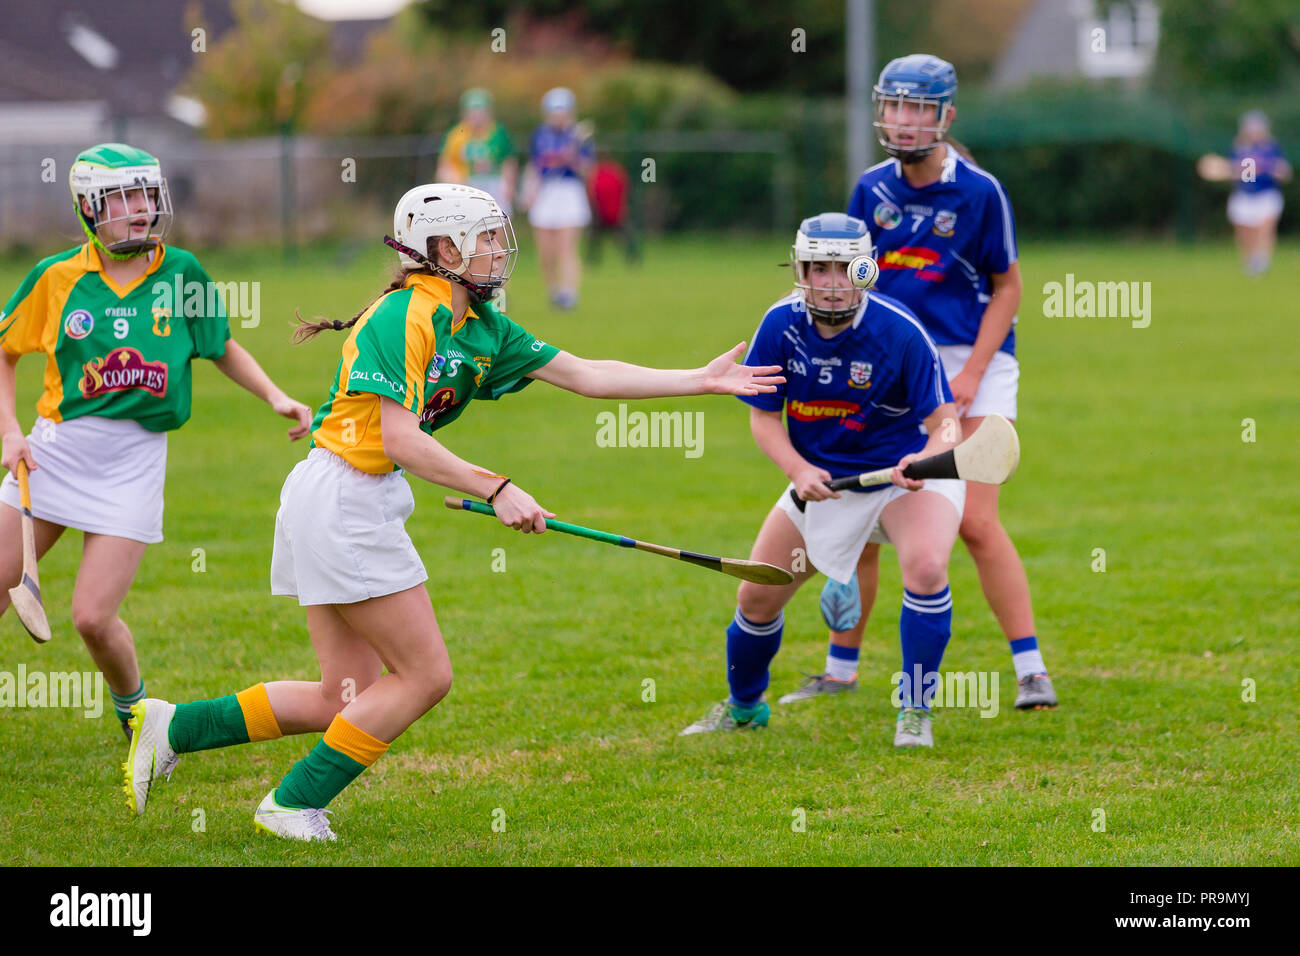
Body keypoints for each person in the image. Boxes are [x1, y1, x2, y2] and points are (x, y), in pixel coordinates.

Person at [121, 183, 785, 840]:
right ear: (441, 249)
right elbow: (398, 437)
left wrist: (697, 379)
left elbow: (583, 374)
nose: (500, 251)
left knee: (341, 694)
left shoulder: (480, 327)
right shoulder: (403, 315)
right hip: (343, 495)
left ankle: (171, 727)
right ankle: (292, 804)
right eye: (487, 239)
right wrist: (497, 489)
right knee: (425, 675)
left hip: (349, 495)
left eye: (498, 237)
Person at [0, 143, 313, 742]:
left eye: (147, 194)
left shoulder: (182, 272)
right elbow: (5, 353)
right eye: (124, 197)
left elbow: (219, 345)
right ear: (91, 209)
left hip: (133, 464)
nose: (141, 209)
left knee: (92, 615)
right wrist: (11, 433)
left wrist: (274, 395)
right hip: (53, 453)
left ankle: (139, 721)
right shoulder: (57, 278)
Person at [787, 54, 1055, 712]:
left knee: (979, 523)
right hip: (891, 365)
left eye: (918, 109)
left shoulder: (980, 192)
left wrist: (969, 374)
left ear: (945, 116)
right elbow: (847, 285)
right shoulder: (871, 189)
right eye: (894, 107)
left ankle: (1031, 669)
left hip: (973, 360)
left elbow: (1008, 288)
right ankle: (840, 668)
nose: (903, 123)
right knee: (865, 506)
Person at [680, 212, 965, 748]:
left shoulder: (900, 330)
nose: (831, 283)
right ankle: (744, 707)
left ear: (866, 270)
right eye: (817, 269)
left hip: (905, 480)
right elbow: (763, 417)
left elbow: (945, 422)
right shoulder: (779, 324)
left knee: (926, 568)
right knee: (755, 597)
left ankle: (915, 709)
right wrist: (798, 470)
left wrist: (926, 459)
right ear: (800, 270)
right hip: (825, 482)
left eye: (844, 269)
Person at [523, 87, 594, 310]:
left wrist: (572, 158)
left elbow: (588, 170)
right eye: (555, 111)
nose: (559, 115)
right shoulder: (539, 135)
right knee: (546, 251)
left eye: (563, 111)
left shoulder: (580, 136)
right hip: (545, 192)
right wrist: (529, 192)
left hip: (569, 192)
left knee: (567, 247)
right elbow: (534, 166)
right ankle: (553, 290)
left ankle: (569, 293)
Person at [1198, 111, 1291, 276]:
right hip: (1244, 195)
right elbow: (1234, 172)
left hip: (1266, 194)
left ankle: (1261, 260)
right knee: (1244, 231)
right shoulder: (1238, 149)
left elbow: (1284, 172)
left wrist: (1271, 169)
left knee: (1265, 227)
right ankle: (1250, 262)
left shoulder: (1272, 149)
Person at [436, 88, 518, 216]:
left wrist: (509, 186)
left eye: (481, 111)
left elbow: (508, 161)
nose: (477, 115)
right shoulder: (456, 135)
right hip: (466, 186)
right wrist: (452, 183)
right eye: (473, 111)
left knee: (497, 226)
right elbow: (445, 165)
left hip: (494, 185)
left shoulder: (498, 132)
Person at [585, 151, 638, 265]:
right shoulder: (615, 171)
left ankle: (592, 261)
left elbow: (591, 193)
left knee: (596, 239)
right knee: (621, 238)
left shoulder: (597, 173)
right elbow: (626, 189)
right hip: (612, 212)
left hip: (604, 213)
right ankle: (632, 259)